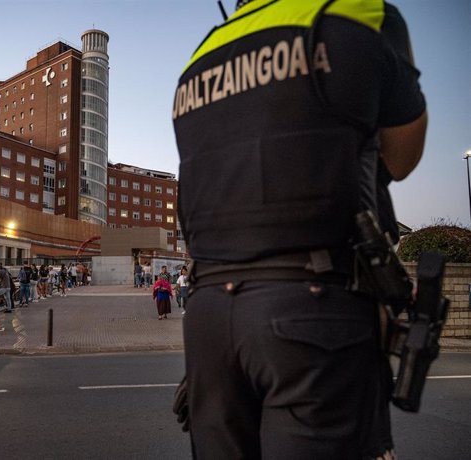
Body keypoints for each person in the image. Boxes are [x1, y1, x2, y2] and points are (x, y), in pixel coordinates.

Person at [173, 1, 427, 458]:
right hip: (313, 305)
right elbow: (402, 155)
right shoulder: (360, 12)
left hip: (208, 316)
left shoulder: (201, 54)